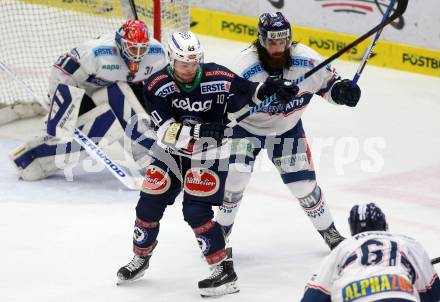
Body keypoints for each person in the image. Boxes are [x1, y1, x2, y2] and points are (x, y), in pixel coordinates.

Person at [115, 31, 298, 297]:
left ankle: (224, 271)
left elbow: (249, 92)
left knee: (196, 212)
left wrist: (272, 90)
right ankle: (141, 258)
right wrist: (199, 132)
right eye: (183, 63)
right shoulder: (155, 84)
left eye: (194, 62)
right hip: (171, 152)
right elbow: (164, 130)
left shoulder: (218, 76)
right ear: (171, 60)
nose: (190, 68)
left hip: (210, 154)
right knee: (148, 204)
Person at [215, 12, 362, 250]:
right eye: (272, 42)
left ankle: (330, 232)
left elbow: (328, 86)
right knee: (234, 177)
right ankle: (219, 233)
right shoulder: (243, 65)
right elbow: (224, 101)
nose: (278, 48)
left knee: (303, 185)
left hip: (286, 130)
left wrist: (342, 92)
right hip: (245, 130)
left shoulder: (307, 60)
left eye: (282, 41)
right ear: (261, 41)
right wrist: (261, 91)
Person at [9, 19, 168, 181]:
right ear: (119, 43)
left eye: (143, 48)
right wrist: (62, 108)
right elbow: (62, 71)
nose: (138, 54)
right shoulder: (97, 54)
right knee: (84, 132)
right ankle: (32, 160)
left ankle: (150, 161)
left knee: (130, 112)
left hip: (115, 88)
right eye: (133, 48)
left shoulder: (158, 54)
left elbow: (166, 86)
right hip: (81, 92)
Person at [301, 202, 440, 302]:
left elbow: (313, 297)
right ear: (384, 224)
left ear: (352, 230)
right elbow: (433, 294)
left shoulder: (344, 248)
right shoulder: (408, 243)